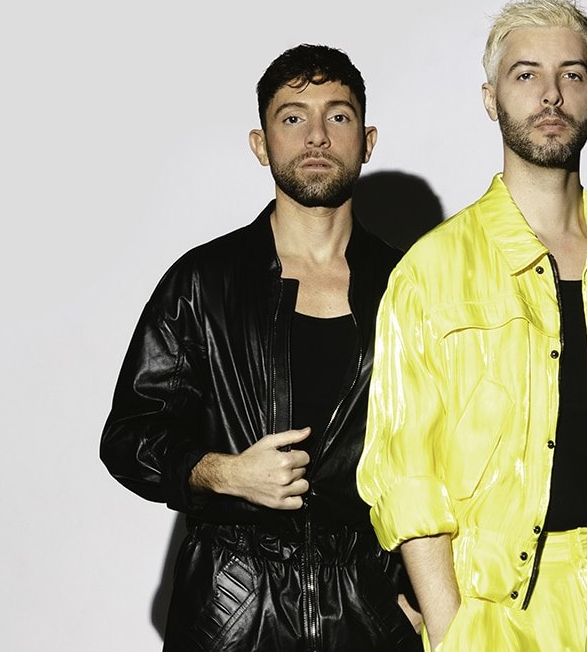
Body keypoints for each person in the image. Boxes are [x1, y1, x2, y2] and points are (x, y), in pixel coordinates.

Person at [357, 0, 587, 652]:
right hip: (501, 616)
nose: (551, 94)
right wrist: (454, 630)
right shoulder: (430, 272)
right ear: (490, 98)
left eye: (571, 74)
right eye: (526, 74)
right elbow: (407, 472)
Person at [100, 44, 421, 651]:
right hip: (234, 612)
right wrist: (226, 473)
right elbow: (128, 437)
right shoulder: (204, 282)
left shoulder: (411, 285)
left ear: (368, 141)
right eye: (293, 117)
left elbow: (445, 457)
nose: (317, 136)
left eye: (338, 116)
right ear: (261, 144)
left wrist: (429, 600)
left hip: (368, 611)